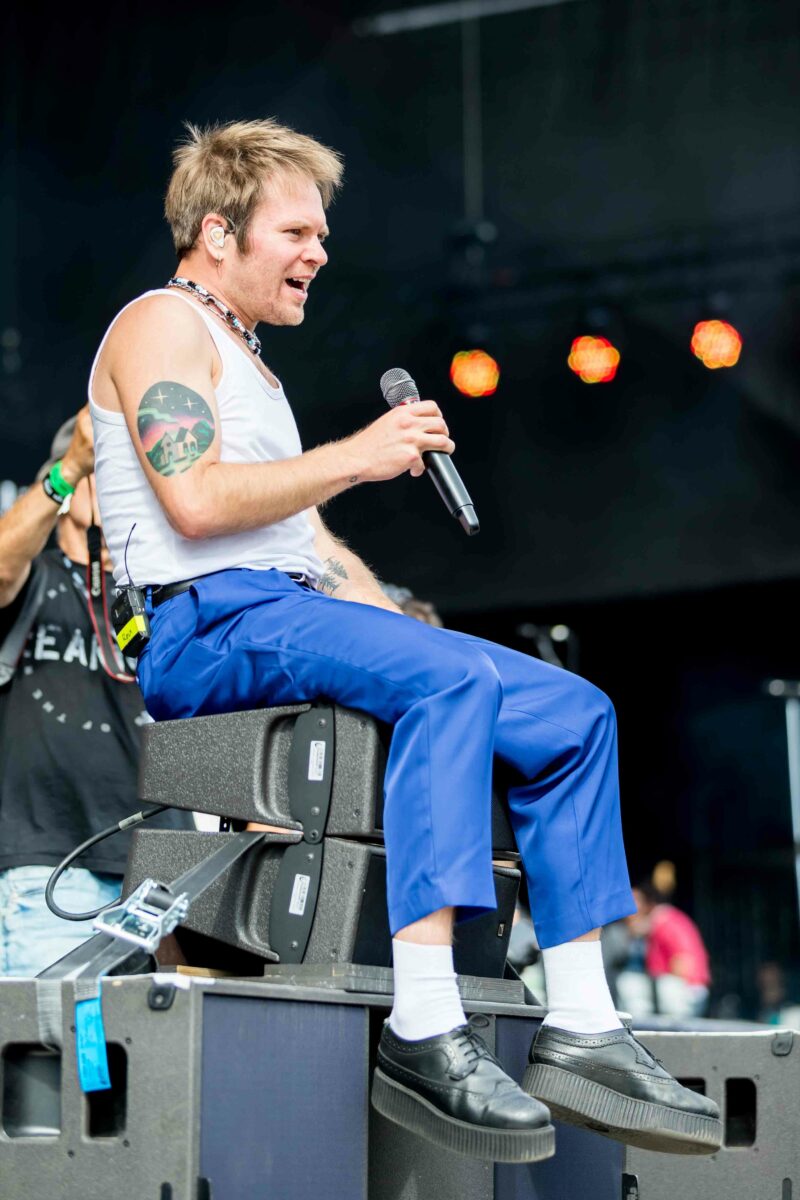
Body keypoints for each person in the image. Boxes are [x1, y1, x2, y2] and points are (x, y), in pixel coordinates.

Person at [88, 118, 720, 1162]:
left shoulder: (248, 362)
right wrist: (361, 455)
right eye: (296, 232)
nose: (319, 252)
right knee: (450, 686)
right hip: (204, 621)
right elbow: (195, 504)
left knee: (573, 712)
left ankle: (582, 1021)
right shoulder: (162, 323)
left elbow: (306, 543)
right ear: (217, 233)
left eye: (322, 234)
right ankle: (424, 1027)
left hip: (281, 602)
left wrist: (407, 632)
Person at [0, 409, 192, 977]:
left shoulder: (163, 595)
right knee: (52, 1034)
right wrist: (68, 470)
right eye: (110, 473)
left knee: (161, 1035)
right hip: (52, 868)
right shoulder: (35, 575)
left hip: (165, 876)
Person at [618, 881, 711, 1019]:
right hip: (683, 990)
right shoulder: (662, 922)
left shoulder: (665, 921)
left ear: (648, 904)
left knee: (641, 984)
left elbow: (683, 962)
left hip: (687, 991)